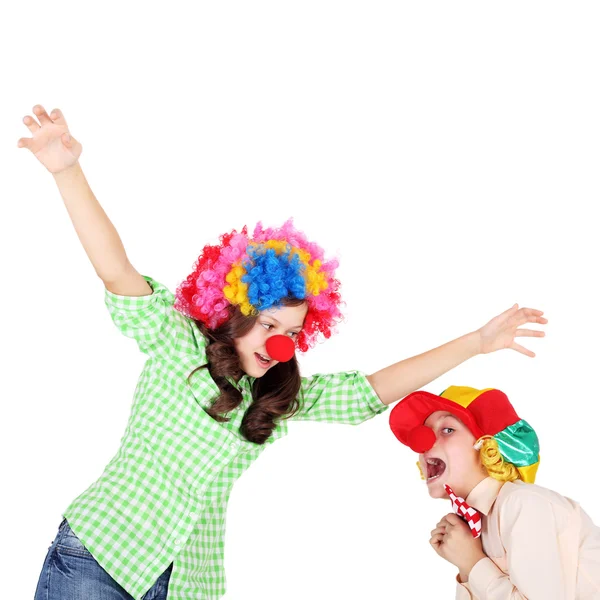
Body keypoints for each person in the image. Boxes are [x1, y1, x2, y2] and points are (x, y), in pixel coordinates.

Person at [19, 104, 547, 600]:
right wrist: (67, 172)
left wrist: (477, 343)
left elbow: (372, 391)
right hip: (102, 554)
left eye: (292, 333)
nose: (279, 344)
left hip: (187, 580)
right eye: (268, 324)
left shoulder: (281, 397)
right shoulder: (176, 341)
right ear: (233, 312)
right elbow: (116, 270)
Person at [389, 385, 600, 599]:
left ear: (488, 445)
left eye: (447, 430)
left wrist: (471, 562)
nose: (423, 443)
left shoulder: (522, 504)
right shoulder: (478, 522)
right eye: (425, 432)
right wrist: (466, 568)